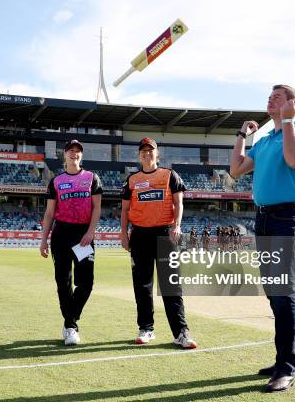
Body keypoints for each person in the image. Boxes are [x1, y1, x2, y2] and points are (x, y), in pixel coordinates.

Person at [230, 84, 295, 392]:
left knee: (282, 290)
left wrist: (289, 121)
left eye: (278, 96)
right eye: (269, 96)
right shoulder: (264, 141)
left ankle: (285, 366)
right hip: (263, 218)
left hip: (287, 217)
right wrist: (242, 137)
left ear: (293, 104)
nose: (270, 99)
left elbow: (294, 160)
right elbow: (236, 169)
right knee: (274, 291)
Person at [120, 138, 196, 349]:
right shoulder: (132, 180)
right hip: (140, 235)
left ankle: (181, 332)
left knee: (171, 285)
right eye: (143, 151)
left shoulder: (169, 175)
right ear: (139, 155)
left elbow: (178, 202)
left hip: (165, 234)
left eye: (150, 150)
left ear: (157, 154)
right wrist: (124, 234)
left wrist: (177, 226)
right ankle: (146, 328)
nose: (147, 154)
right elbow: (125, 210)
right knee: (142, 286)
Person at [39, 140, 102, 345]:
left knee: (86, 283)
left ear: (81, 156)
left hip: (83, 236)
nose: (74, 154)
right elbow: (49, 213)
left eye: (78, 152)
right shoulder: (56, 181)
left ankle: (69, 320)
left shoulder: (92, 178)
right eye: (71, 151)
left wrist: (90, 232)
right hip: (62, 235)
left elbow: (96, 208)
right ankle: (71, 327)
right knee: (63, 282)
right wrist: (43, 240)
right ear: (64, 155)